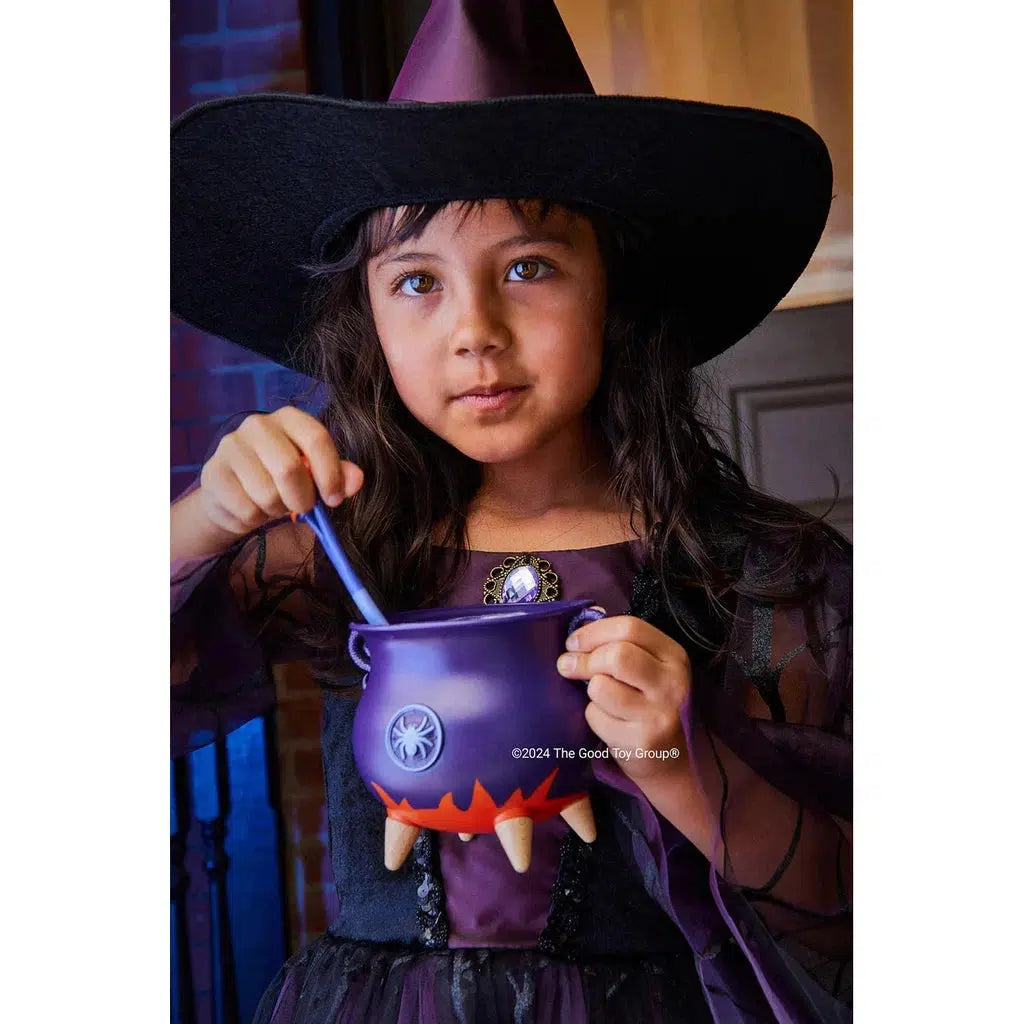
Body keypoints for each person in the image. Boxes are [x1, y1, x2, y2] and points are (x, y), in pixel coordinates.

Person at [171, 1, 852, 1021]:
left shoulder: (762, 574)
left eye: (528, 268)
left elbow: (849, 905)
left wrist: (681, 765)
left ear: (613, 290)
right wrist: (200, 520)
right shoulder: (327, 554)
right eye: (415, 282)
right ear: (368, 322)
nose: (473, 333)